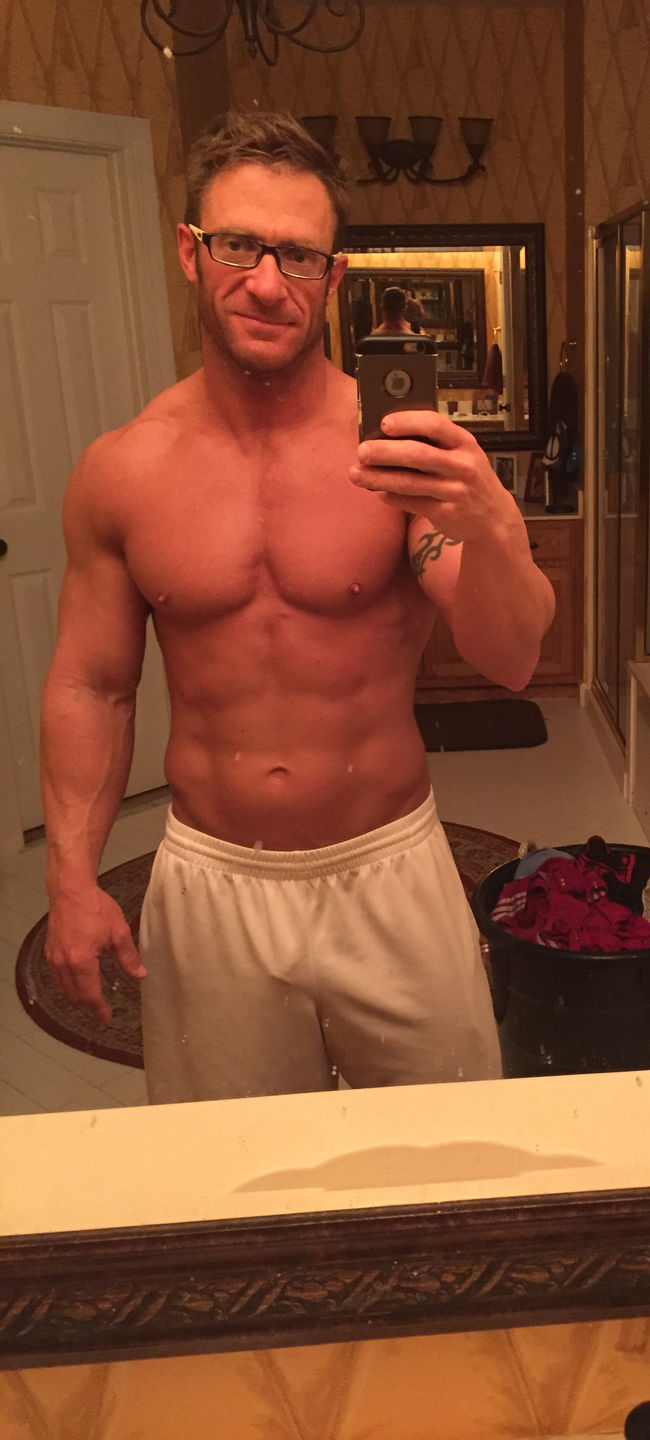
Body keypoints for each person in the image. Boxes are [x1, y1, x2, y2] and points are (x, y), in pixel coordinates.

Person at [39, 110, 555, 1105]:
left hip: (389, 868)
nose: (269, 283)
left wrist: (494, 524)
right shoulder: (123, 470)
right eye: (239, 245)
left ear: (334, 276)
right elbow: (91, 687)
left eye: (300, 256)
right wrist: (72, 876)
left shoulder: (394, 453)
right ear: (189, 252)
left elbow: (512, 658)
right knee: (236, 1174)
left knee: (444, 1156)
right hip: (213, 883)